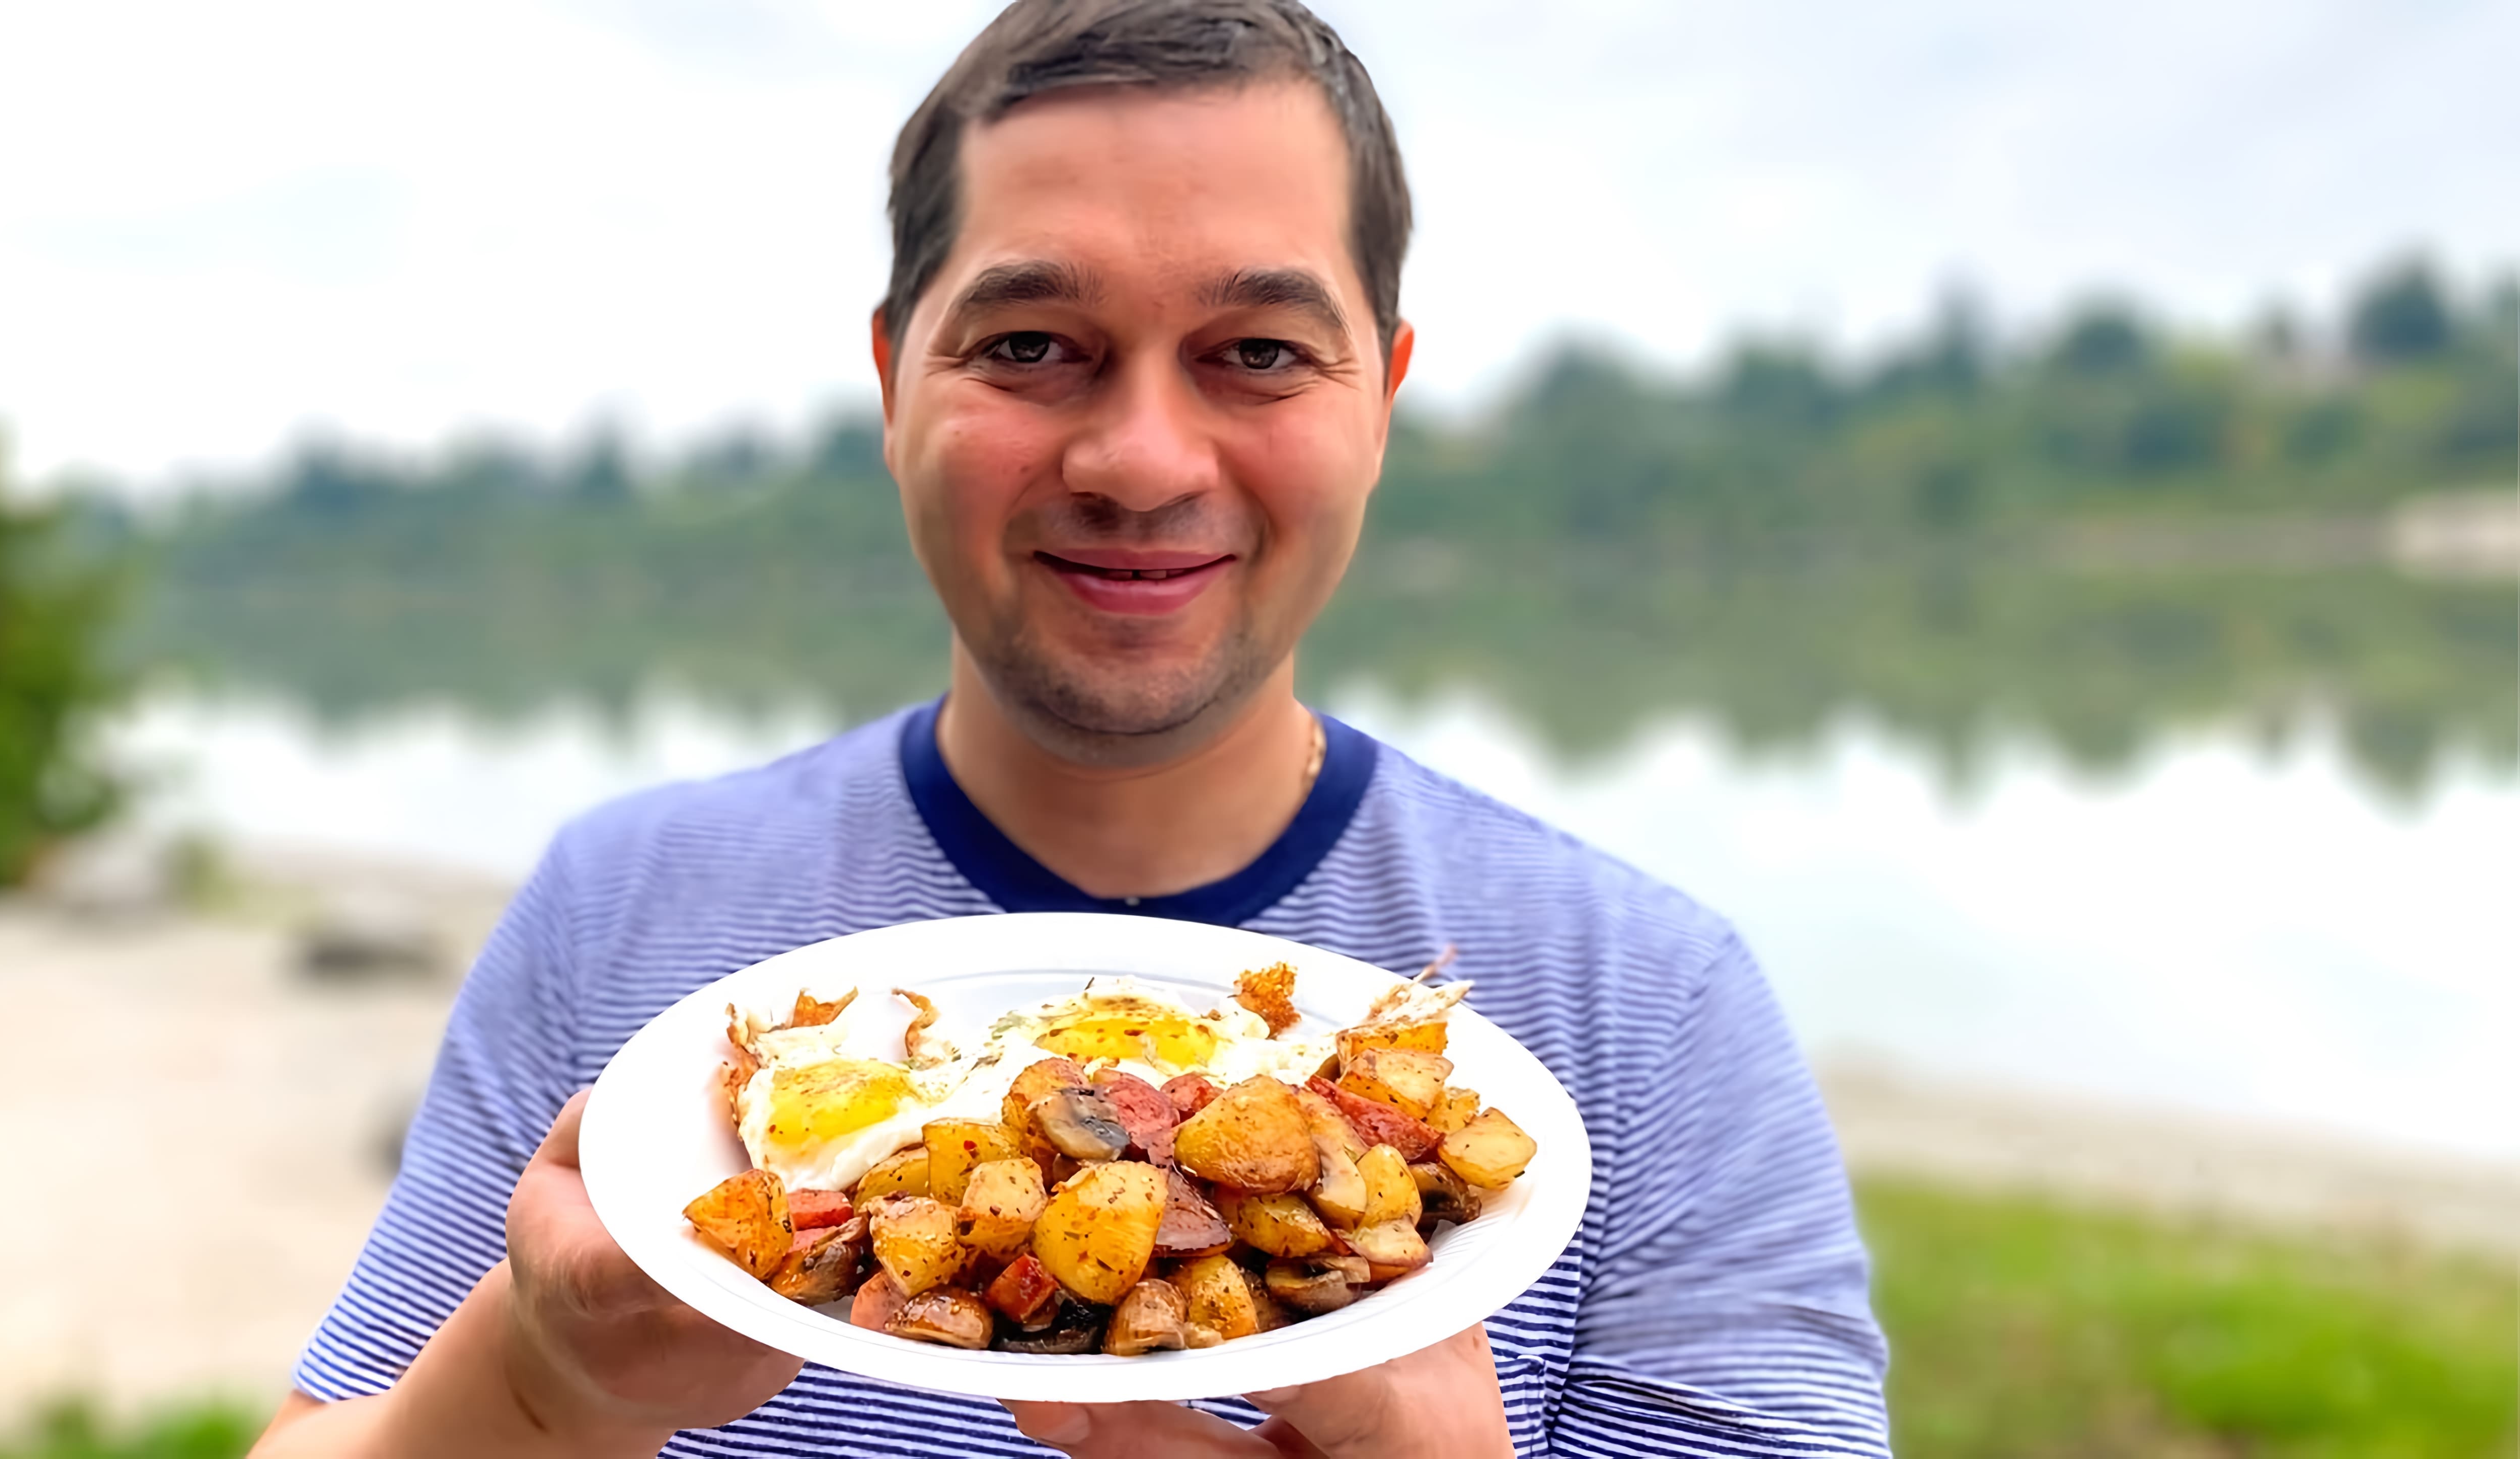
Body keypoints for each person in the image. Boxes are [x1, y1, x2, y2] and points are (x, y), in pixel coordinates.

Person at [249, 2, 1890, 1454]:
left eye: (1256, 352)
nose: (1142, 457)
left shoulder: (1650, 1008)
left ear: (1380, 400)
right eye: (1034, 345)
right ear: (896, 384)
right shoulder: (625, 911)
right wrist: (542, 1389)